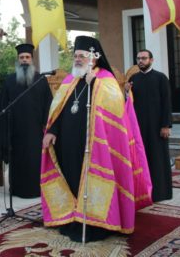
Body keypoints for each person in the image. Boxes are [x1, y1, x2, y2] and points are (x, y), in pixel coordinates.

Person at [41, 36, 152, 242]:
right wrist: (52, 130)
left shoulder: (105, 79)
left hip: (95, 145)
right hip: (67, 142)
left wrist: (95, 83)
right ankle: (73, 217)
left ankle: (94, 223)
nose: (77, 59)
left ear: (94, 58)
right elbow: (59, 109)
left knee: (91, 181)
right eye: (75, 56)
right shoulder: (70, 80)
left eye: (82, 56)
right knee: (72, 178)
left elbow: (115, 106)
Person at [0, 43, 52, 198]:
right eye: (21, 57)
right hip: (15, 130)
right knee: (18, 160)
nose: (24, 60)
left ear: (32, 59)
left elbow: (48, 104)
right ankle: (16, 189)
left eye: (27, 57)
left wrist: (46, 126)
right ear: (18, 60)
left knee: (34, 160)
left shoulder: (41, 79)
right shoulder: (9, 80)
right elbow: (3, 106)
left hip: (35, 130)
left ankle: (36, 189)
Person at [126, 49, 173, 202]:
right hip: (138, 127)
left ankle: (160, 192)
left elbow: (167, 103)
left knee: (158, 159)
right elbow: (128, 104)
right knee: (141, 158)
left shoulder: (161, 78)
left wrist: (166, 125)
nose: (141, 61)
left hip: (157, 127)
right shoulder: (133, 79)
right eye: (138, 58)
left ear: (151, 60)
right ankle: (143, 191)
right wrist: (126, 92)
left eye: (144, 58)